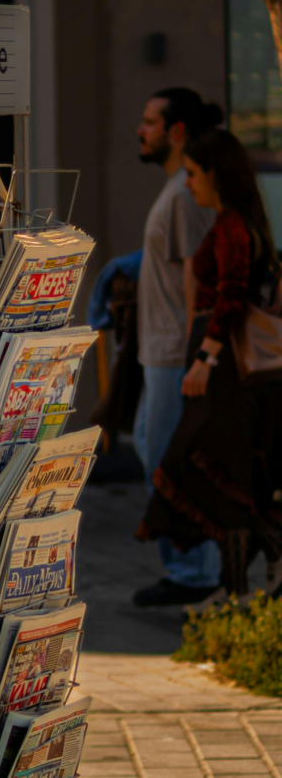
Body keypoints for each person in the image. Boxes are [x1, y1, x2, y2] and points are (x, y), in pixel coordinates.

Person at [137, 128, 282, 606]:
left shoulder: (233, 226)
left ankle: (241, 585)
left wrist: (204, 358)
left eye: (194, 174)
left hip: (224, 369)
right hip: (219, 363)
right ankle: (236, 588)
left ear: (216, 174)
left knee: (211, 469)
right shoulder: (230, 222)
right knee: (220, 474)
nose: (189, 183)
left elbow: (232, 296)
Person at [133, 88, 222, 607]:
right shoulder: (175, 189)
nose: (140, 131)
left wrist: (198, 354)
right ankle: (189, 565)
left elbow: (199, 278)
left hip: (174, 353)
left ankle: (195, 571)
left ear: (177, 131)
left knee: (173, 461)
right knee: (152, 451)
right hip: (158, 351)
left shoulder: (185, 194)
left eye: (149, 122)